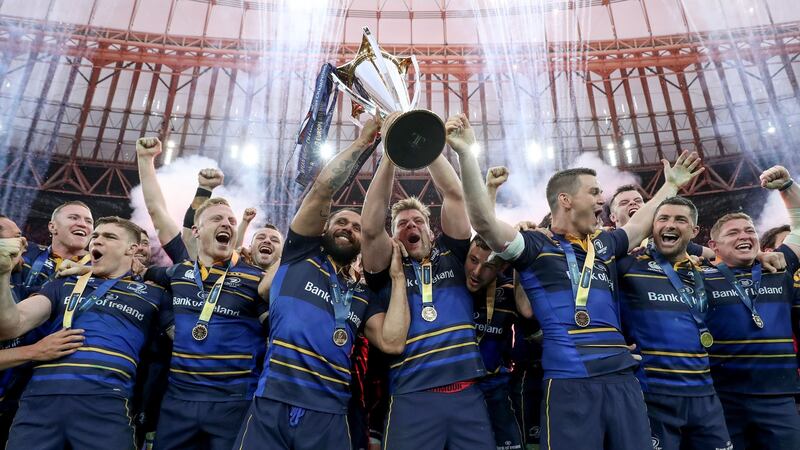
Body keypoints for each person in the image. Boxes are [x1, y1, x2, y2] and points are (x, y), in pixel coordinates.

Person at [446, 112, 704, 450]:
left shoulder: (605, 244)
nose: (602, 199)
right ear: (566, 200)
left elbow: (641, 224)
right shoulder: (535, 246)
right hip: (570, 383)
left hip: (623, 379)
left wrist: (670, 187)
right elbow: (483, 221)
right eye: (594, 192)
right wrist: (466, 154)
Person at [233, 114, 410, 450]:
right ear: (324, 229)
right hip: (271, 403)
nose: (348, 228)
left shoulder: (361, 295)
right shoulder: (300, 254)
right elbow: (323, 189)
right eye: (340, 221)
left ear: (361, 244)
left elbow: (391, 341)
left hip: (330, 414)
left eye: (357, 228)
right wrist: (363, 143)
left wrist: (398, 279)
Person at [360, 114, 493, 450]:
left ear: (430, 229)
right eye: (402, 223)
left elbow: (455, 195)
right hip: (412, 396)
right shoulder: (384, 268)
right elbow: (371, 227)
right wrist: (390, 152)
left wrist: (424, 139)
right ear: (394, 235)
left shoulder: (452, 252)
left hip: (467, 393)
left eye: (417, 220)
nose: (410, 226)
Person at [136, 136, 273, 450]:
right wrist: (146, 160)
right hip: (178, 400)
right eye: (216, 219)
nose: (226, 223)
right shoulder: (180, 269)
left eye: (231, 220)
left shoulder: (257, 279)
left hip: (235, 401)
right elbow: (157, 212)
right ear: (196, 232)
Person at [0, 216, 171, 450]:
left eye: (109, 237)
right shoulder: (64, 283)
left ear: (132, 249)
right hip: (40, 402)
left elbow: (183, 340)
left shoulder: (155, 295)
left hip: (107, 403)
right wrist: (2, 274)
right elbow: (11, 325)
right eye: (95, 236)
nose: (96, 240)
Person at [617, 196, 731, 450]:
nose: (670, 225)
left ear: (694, 231)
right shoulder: (627, 266)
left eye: (680, 219)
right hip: (651, 396)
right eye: (663, 219)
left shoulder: (708, 273)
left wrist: (760, 255)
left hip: (706, 397)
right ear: (651, 228)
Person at [702, 165, 800, 449]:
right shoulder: (700, 279)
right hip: (724, 397)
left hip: (778, 395)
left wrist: (787, 187)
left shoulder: (778, 268)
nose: (744, 236)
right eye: (733, 233)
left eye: (749, 231)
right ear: (714, 246)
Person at [21, 201, 93, 294]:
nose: (83, 224)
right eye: (73, 218)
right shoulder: (25, 252)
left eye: (89, 221)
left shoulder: (101, 268)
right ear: (52, 227)